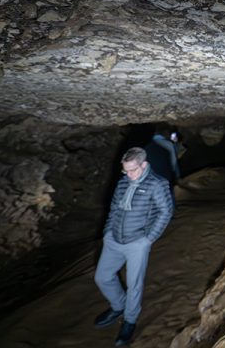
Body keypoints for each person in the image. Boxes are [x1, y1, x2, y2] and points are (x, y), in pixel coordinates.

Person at [93, 147, 174, 346]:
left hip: (137, 242)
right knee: (102, 277)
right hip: (114, 239)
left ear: (144, 165)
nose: (129, 175)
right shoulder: (122, 183)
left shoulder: (157, 183)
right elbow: (113, 208)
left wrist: (149, 239)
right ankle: (118, 306)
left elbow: (166, 211)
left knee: (134, 285)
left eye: (133, 170)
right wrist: (107, 232)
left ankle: (130, 321)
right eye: (125, 170)